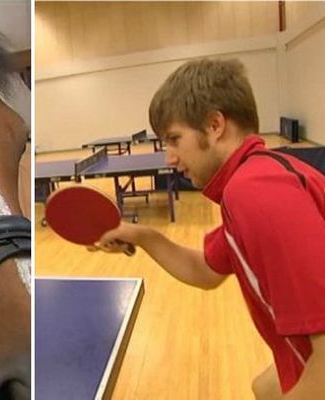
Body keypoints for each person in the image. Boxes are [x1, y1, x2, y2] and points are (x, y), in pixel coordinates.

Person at [94, 59, 325, 398]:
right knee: (266, 387)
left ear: (215, 125)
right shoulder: (255, 178)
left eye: (174, 139)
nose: (169, 158)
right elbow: (205, 270)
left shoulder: (256, 193)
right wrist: (142, 235)